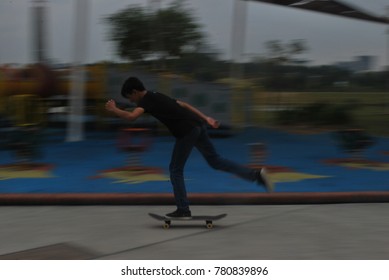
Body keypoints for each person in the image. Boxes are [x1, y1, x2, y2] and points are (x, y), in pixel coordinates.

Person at [105, 77, 273, 218]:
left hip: (187, 131)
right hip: (198, 125)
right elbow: (184, 104)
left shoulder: (146, 100)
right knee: (215, 161)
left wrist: (114, 110)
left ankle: (183, 209)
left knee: (175, 169)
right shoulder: (156, 95)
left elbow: (132, 117)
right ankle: (256, 175)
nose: (131, 101)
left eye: (130, 97)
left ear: (135, 91)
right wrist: (206, 118)